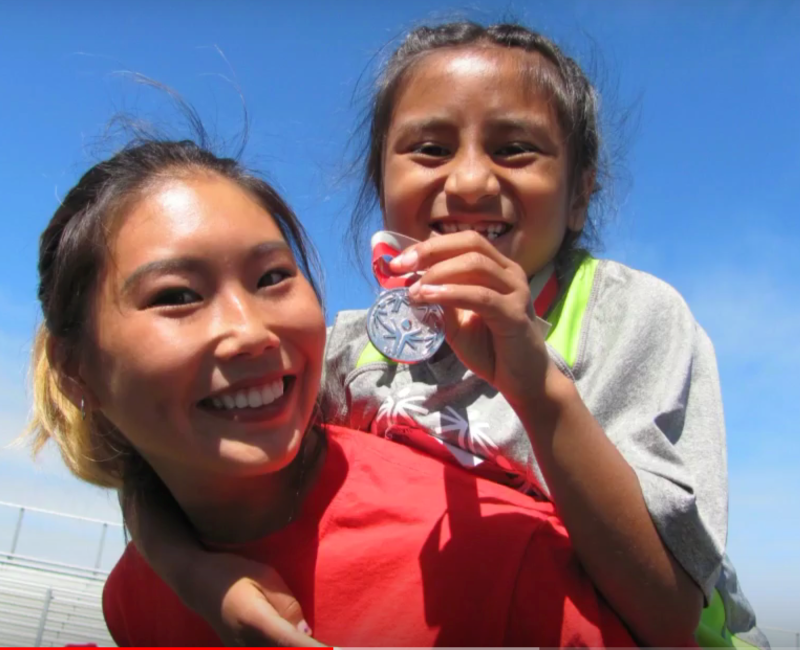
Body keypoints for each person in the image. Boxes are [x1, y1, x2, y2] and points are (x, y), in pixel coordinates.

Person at [119, 21, 765, 649]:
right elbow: (161, 461)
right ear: (382, 182)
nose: (470, 181)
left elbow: (670, 612)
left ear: (580, 195)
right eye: (429, 149)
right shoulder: (347, 349)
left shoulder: (631, 318)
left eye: (516, 149)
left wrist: (533, 382)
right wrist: (198, 577)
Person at [25, 136, 641, 647]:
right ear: (76, 372)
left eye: (272, 277)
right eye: (178, 295)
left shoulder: (500, 555)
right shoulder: (135, 597)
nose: (250, 331)